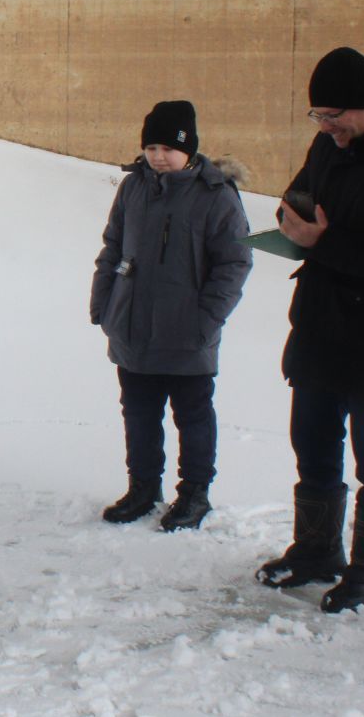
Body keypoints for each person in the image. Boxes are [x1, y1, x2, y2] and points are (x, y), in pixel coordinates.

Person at [256, 48, 364, 610]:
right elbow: (300, 199)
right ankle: (316, 550)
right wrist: (292, 221)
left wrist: (326, 241)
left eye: (335, 116)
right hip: (321, 321)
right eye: (318, 117)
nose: (327, 129)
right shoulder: (328, 143)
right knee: (314, 443)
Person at [89, 100, 253, 531]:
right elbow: (112, 246)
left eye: (168, 147)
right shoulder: (134, 187)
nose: (158, 156)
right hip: (133, 327)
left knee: (193, 417)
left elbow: (234, 263)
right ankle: (143, 488)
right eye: (151, 146)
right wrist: (104, 304)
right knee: (139, 413)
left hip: (187, 334)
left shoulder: (216, 195)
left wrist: (205, 321)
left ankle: (195, 494)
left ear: (189, 148)